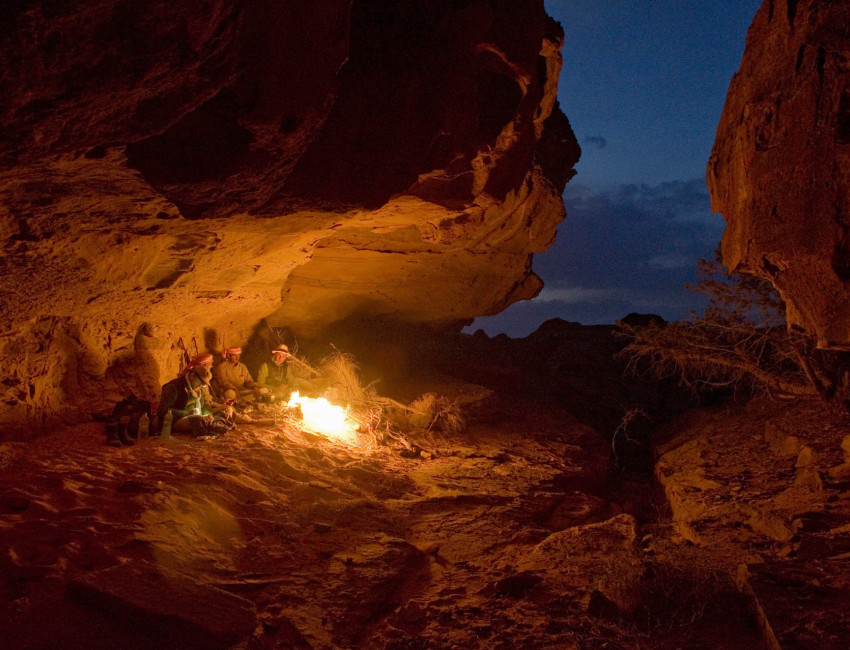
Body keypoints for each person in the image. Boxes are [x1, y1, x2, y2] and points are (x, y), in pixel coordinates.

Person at [158, 354, 233, 436]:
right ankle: (214, 425)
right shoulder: (174, 387)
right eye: (201, 383)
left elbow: (206, 405)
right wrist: (186, 413)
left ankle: (214, 424)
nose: (201, 386)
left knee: (226, 410)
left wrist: (209, 415)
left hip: (199, 416)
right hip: (180, 420)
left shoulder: (198, 387)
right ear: (192, 376)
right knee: (196, 419)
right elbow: (162, 410)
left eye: (204, 384)